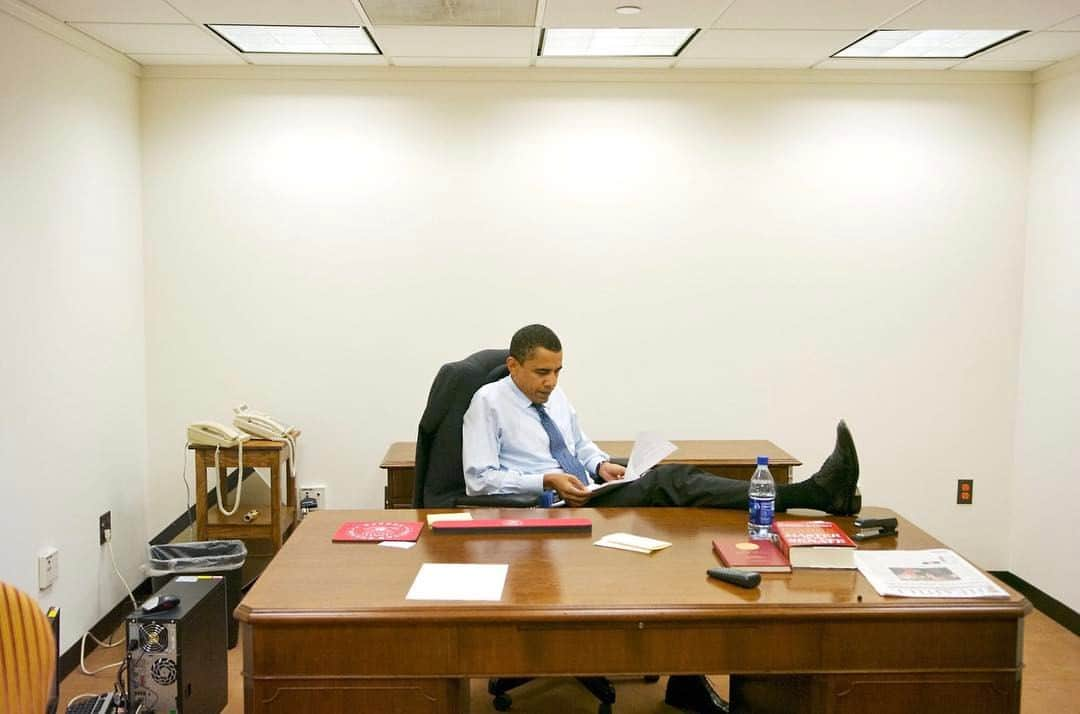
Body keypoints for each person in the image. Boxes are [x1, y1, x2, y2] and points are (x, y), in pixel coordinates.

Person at [462, 324, 861, 714]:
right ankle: (813, 494)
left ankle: (687, 678)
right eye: (542, 372)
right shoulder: (488, 403)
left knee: (682, 526)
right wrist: (544, 478)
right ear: (514, 366)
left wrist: (600, 465)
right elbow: (479, 480)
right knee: (674, 482)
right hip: (546, 509)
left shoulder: (555, 395)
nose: (551, 382)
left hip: (587, 494)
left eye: (558, 372)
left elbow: (578, 445)